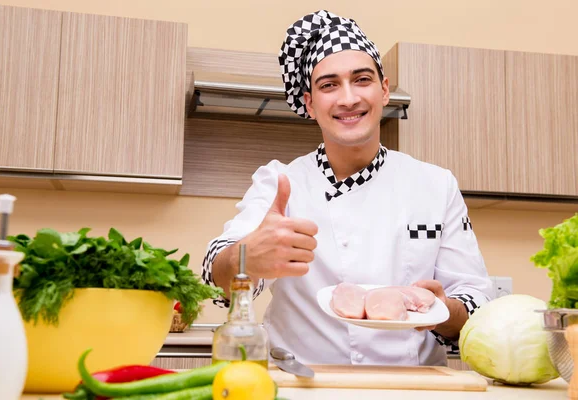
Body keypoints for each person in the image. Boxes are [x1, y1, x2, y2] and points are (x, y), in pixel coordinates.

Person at [201, 9, 494, 366]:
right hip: (302, 382)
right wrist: (247, 257)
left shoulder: (436, 184)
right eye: (328, 85)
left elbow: (475, 298)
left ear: (384, 90)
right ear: (309, 103)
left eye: (362, 79)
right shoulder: (280, 182)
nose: (348, 98)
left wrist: (442, 310)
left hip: (410, 387)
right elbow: (217, 274)